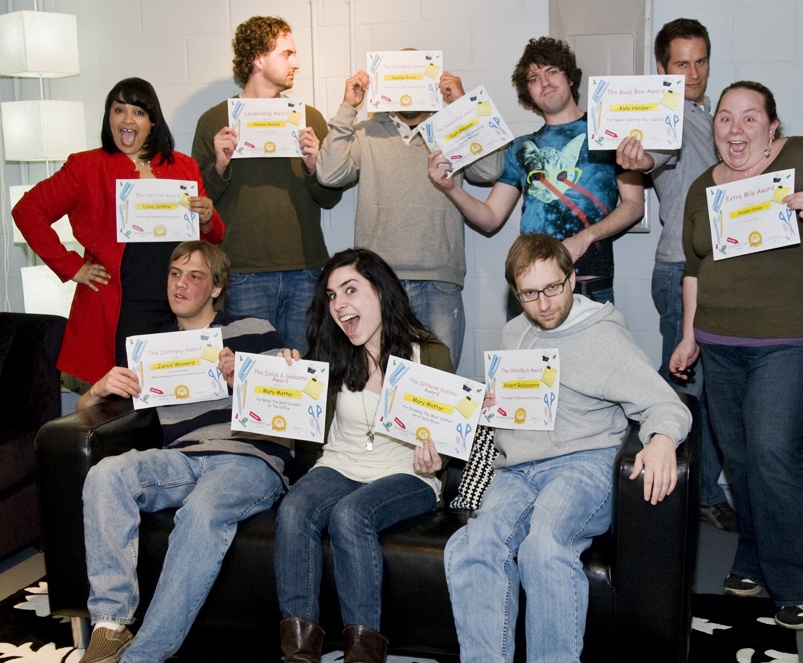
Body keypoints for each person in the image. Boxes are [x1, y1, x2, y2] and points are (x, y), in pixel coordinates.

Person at [422, 233, 691, 663]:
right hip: (517, 468)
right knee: (472, 544)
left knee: (545, 544)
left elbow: (667, 403)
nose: (544, 304)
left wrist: (661, 439)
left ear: (572, 279)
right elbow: (512, 417)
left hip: (583, 465)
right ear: (514, 295)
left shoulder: (602, 335)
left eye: (553, 289)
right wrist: (487, 410)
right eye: (529, 294)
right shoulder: (515, 332)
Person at [669, 82, 803, 630]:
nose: (735, 130)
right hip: (722, 343)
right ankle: (756, 559)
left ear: (772, 126)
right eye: (724, 118)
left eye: (749, 118)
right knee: (741, 461)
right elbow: (695, 268)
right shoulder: (702, 186)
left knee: (769, 449)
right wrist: (690, 334)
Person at [64, 241, 289, 663]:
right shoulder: (155, 348)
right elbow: (87, 408)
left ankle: (141, 660)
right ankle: (109, 625)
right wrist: (99, 388)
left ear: (217, 288)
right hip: (183, 459)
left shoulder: (253, 328)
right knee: (106, 474)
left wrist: (246, 375)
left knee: (202, 512)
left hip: (248, 458)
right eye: (174, 273)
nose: (181, 283)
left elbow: (293, 399)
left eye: (196, 276)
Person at [253, 248, 453, 663]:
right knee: (295, 508)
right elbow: (290, 409)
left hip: (407, 474)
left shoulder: (429, 353)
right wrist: (282, 371)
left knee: (350, 516)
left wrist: (439, 455)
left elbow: (448, 437)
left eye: (350, 290)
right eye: (331, 296)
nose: (340, 305)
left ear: (380, 292)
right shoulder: (330, 351)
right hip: (341, 463)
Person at [12, 78, 225, 385]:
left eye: (138, 112)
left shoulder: (184, 167)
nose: (127, 119)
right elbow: (27, 211)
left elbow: (213, 237)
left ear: (152, 122)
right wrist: (72, 266)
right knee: (120, 409)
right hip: (119, 310)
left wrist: (207, 217)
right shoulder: (86, 167)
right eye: (118, 110)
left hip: (176, 308)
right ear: (108, 118)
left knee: (176, 403)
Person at [616, 19, 738, 532]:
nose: (694, 72)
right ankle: (688, 494)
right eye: (682, 64)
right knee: (686, 390)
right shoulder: (667, 117)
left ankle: (696, 490)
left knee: (711, 389)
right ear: (662, 68)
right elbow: (654, 151)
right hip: (679, 271)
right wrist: (638, 159)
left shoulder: (712, 115)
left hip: (720, 270)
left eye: (702, 61)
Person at [428, 37, 644, 307]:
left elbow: (635, 205)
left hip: (589, 285)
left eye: (552, 71)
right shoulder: (520, 147)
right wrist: (452, 189)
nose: (545, 82)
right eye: (533, 78)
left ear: (571, 78)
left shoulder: (608, 133)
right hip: (529, 287)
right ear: (528, 93)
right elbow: (490, 217)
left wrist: (585, 237)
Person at [315, 65, 503, 366]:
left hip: (440, 279)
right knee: (378, 381)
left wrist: (464, 106)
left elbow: (491, 170)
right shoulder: (366, 131)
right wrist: (348, 107)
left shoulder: (451, 128)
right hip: (377, 282)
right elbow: (329, 173)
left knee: (439, 390)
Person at [192, 15, 342, 355]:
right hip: (242, 272)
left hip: (306, 270)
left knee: (303, 379)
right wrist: (218, 165)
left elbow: (330, 197)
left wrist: (316, 167)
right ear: (258, 58)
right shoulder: (215, 120)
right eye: (287, 54)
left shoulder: (310, 119)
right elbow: (198, 204)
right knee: (250, 381)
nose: (296, 63)